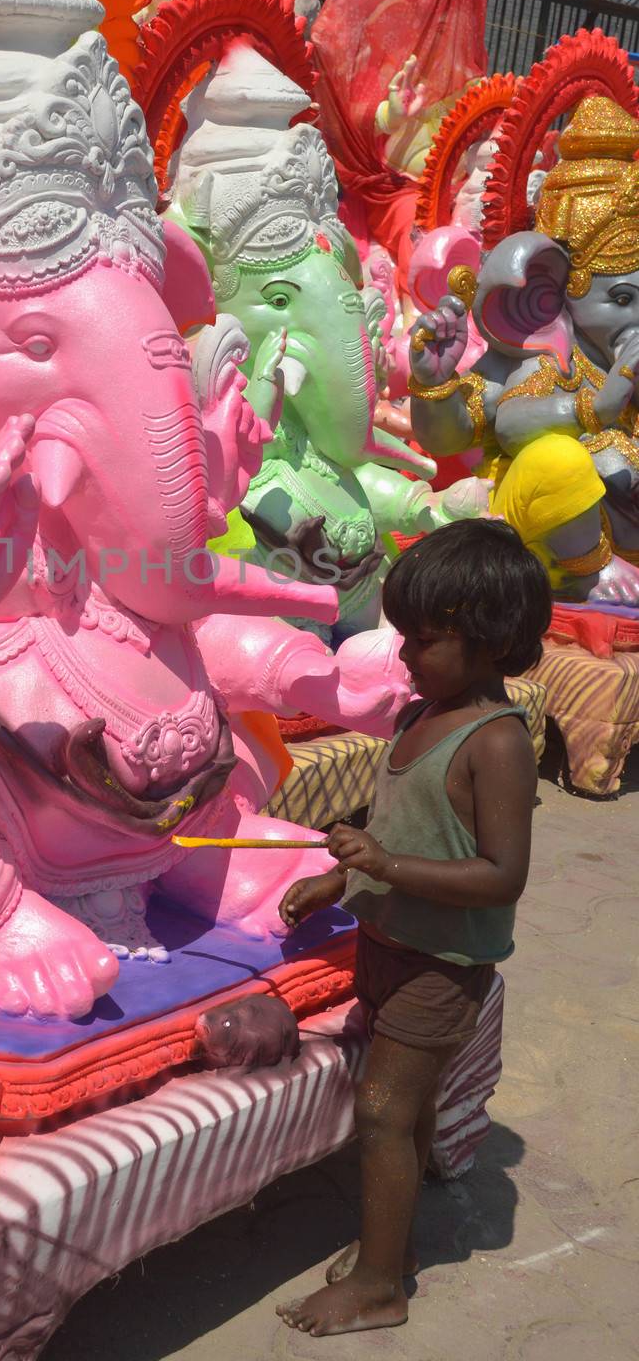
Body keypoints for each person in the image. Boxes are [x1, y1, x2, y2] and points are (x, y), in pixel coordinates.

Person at [277, 518, 551, 1337]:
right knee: (407, 1110)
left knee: (386, 1112)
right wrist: (339, 876)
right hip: (389, 944)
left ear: (491, 642)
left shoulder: (496, 743)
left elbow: (503, 874)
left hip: (441, 965)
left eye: (424, 640)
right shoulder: (417, 714)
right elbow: (400, 828)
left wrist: (385, 868)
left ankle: (379, 1286)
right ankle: (389, 1252)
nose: (401, 656)